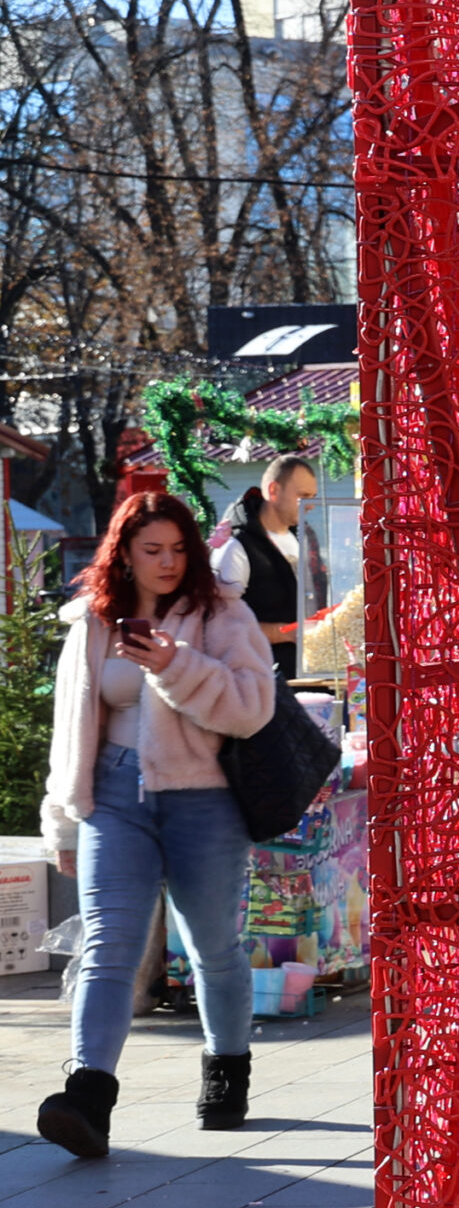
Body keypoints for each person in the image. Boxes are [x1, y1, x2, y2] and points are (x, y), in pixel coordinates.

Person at [35, 491, 279, 1157]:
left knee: (212, 948)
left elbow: (252, 707)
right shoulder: (92, 621)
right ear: (124, 554)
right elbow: (71, 730)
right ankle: (88, 1095)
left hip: (204, 799)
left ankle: (227, 1068)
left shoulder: (222, 614)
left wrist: (174, 663)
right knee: (108, 944)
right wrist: (63, 823)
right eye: (152, 550)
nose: (168, 562)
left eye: (178, 548)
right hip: (113, 797)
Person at [209, 454, 322, 687]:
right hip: (259, 685)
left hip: (312, 680)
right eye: (302, 496)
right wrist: (285, 632)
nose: (310, 505)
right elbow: (218, 625)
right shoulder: (235, 546)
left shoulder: (305, 537)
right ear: (273, 490)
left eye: (313, 497)